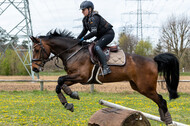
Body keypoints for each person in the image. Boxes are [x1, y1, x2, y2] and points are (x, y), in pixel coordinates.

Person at [77, 1, 115, 76]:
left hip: (108, 34)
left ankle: (106, 68)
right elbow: (84, 31)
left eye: (83, 10)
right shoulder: (85, 20)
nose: (82, 12)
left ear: (90, 9)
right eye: (82, 10)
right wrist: (77, 39)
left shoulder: (94, 17)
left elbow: (93, 33)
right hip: (101, 36)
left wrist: (83, 39)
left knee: (97, 47)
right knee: (90, 46)